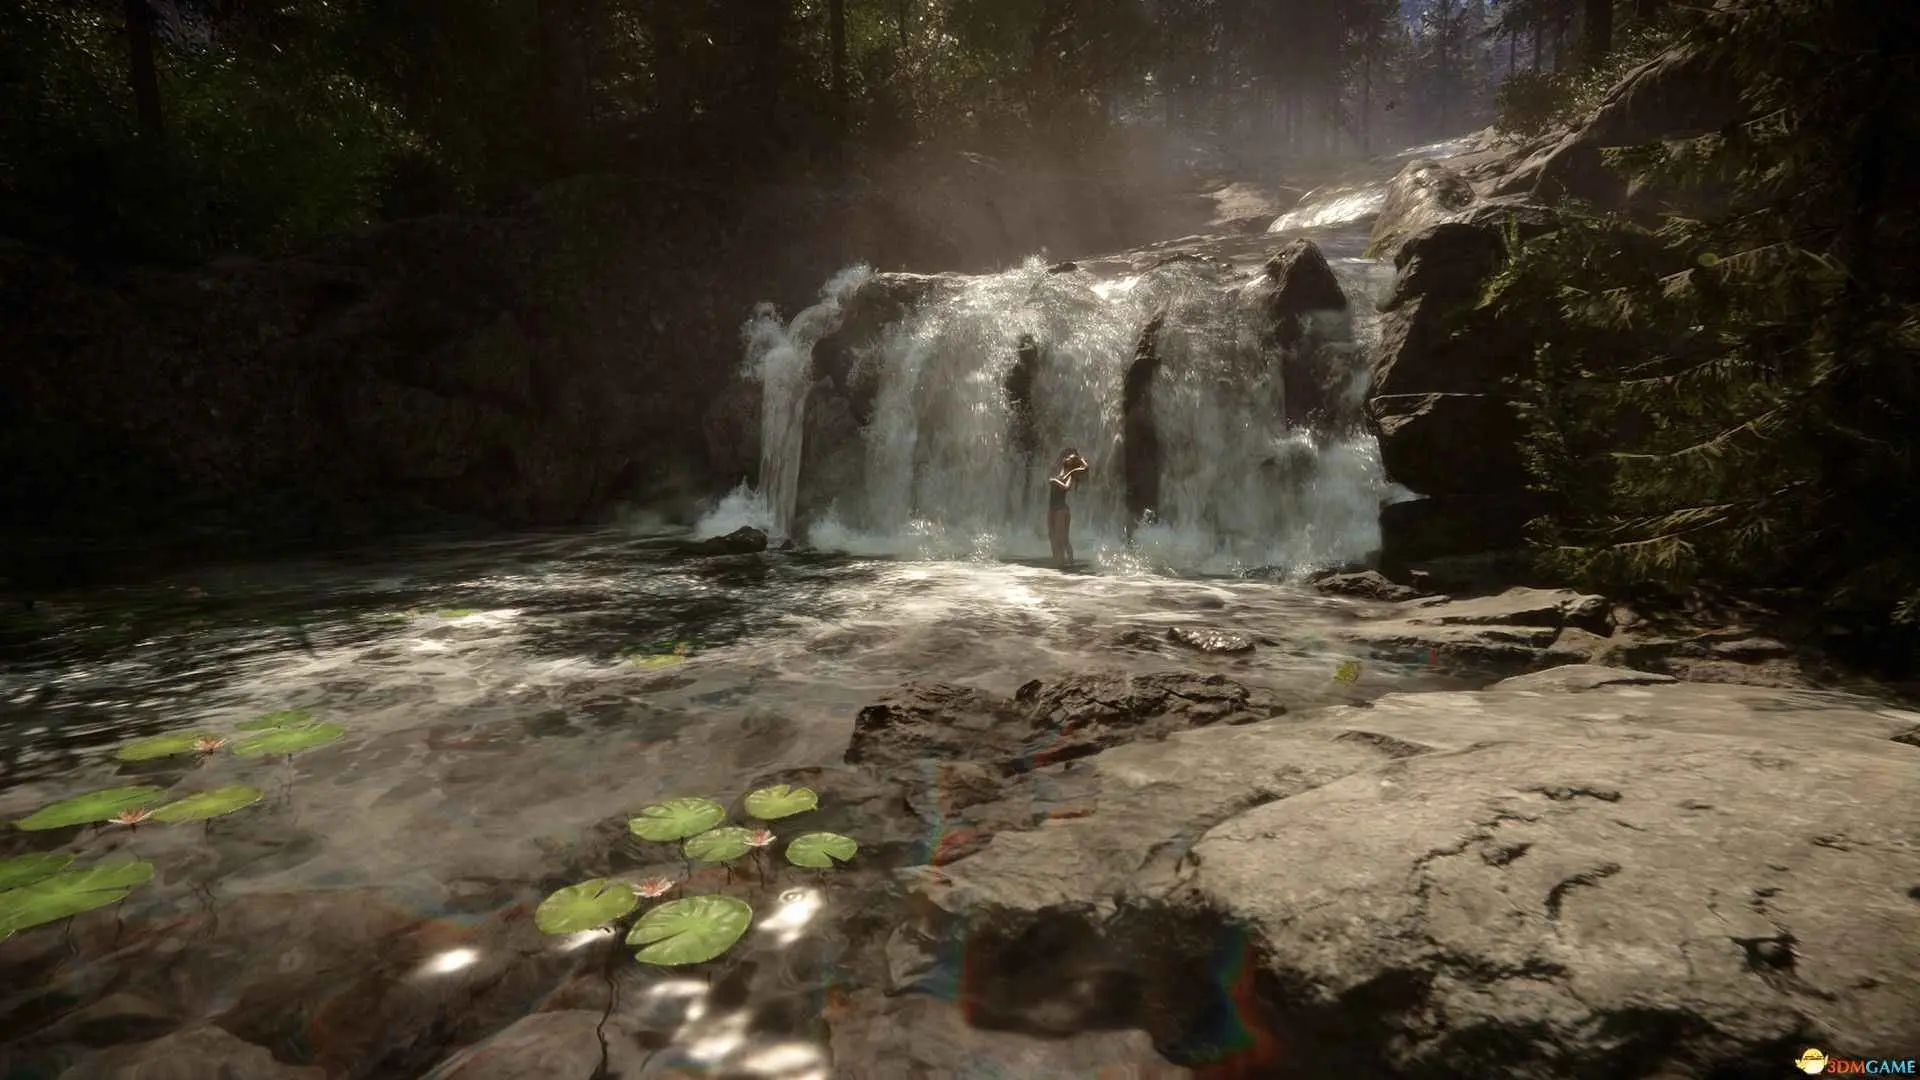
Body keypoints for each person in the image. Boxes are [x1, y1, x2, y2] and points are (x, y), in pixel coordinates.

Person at [1047, 448, 1090, 567]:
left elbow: (1066, 487)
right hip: (1052, 508)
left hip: (1061, 509)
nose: (1066, 458)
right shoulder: (1061, 472)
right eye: (1066, 457)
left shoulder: (1071, 474)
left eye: (1069, 458)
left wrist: (1055, 481)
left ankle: (1068, 562)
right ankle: (1057, 560)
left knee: (1062, 539)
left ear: (1072, 463)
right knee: (1051, 535)